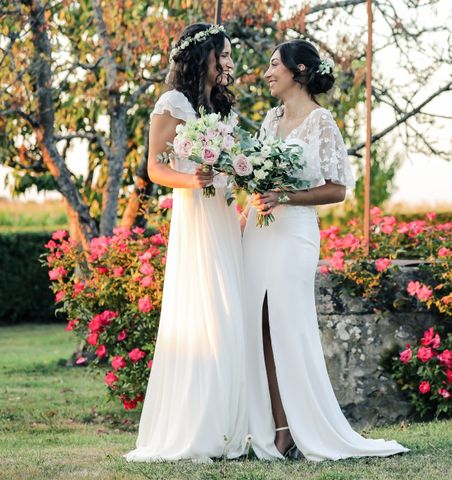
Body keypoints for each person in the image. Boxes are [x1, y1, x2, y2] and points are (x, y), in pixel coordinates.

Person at [242, 39, 408, 461]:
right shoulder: (270, 118)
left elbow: (337, 189)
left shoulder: (321, 122)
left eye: (274, 65)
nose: (266, 72)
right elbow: (257, 181)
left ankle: (304, 425)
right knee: (259, 326)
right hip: (260, 232)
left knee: (287, 327)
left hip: (295, 233)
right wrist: (247, 213)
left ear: (299, 72)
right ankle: (279, 428)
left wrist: (287, 197)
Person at [124, 23, 248, 463]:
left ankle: (234, 426)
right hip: (195, 217)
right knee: (205, 313)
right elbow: (156, 169)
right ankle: (199, 426)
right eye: (225, 54)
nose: (231, 62)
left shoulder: (223, 106)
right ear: (203, 56)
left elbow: (233, 165)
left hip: (223, 214)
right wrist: (192, 180)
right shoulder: (171, 103)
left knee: (231, 311)